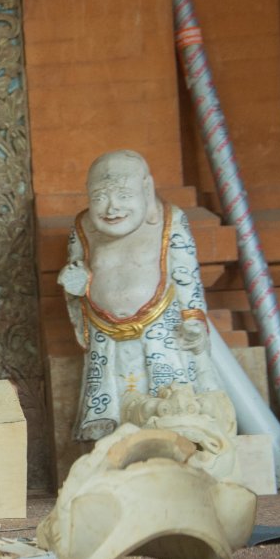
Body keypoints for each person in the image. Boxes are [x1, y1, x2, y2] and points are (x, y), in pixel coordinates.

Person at [58, 149, 221, 443]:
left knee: (169, 404)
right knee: (111, 409)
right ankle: (113, 452)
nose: (111, 207)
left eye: (123, 195)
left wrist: (193, 319)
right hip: (105, 337)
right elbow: (76, 274)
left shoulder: (170, 221)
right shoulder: (83, 228)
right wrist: (74, 281)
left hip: (161, 332)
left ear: (147, 189)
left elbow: (187, 277)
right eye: (99, 197)